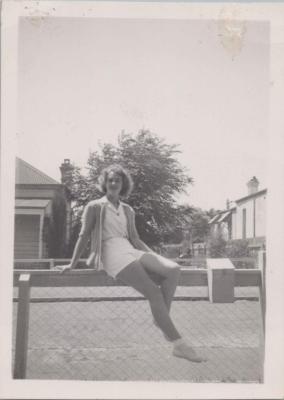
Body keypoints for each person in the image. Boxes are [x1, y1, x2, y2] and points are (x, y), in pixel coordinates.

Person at [58, 164, 206, 363]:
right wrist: (72, 264)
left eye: (117, 180)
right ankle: (179, 344)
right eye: (109, 180)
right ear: (104, 183)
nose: (113, 183)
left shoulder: (128, 210)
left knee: (173, 269)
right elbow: (83, 235)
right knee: (153, 291)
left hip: (128, 248)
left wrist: (155, 257)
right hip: (110, 252)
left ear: (123, 184)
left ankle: (161, 319)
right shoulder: (94, 206)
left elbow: (135, 239)